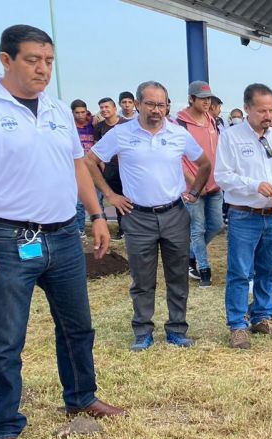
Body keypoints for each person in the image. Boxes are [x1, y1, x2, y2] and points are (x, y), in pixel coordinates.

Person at [0, 25, 126, 439]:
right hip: (6, 237)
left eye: (49, 61)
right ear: (7, 59)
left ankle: (81, 397)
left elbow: (76, 166)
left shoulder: (55, 109)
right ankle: (3, 428)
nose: (42, 69)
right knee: (7, 339)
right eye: (33, 59)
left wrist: (95, 216)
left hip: (62, 236)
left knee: (77, 327)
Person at [88, 81, 212, 350]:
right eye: (151, 104)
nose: (157, 110)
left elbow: (204, 164)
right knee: (142, 279)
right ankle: (143, 331)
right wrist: (111, 195)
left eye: (162, 104)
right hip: (137, 216)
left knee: (177, 275)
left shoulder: (178, 133)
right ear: (138, 103)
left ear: (168, 106)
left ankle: (177, 329)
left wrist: (195, 191)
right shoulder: (121, 133)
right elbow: (89, 161)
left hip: (175, 214)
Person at [215, 83, 272, 349]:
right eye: (262, 110)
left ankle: (262, 316)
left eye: (271, 110)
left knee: (268, 269)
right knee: (239, 271)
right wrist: (253, 185)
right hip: (244, 215)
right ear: (247, 108)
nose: (268, 116)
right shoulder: (231, 137)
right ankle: (237, 325)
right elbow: (222, 176)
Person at [176, 80, 224, 288]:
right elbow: (176, 159)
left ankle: (188, 255)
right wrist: (194, 184)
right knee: (198, 229)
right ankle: (203, 270)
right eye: (202, 98)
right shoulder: (179, 124)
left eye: (209, 98)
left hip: (214, 185)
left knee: (217, 225)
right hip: (193, 188)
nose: (207, 102)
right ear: (191, 98)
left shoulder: (211, 120)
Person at [94, 97, 128, 240]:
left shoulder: (126, 124)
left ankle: (131, 228)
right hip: (110, 169)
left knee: (130, 198)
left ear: (115, 109)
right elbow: (96, 149)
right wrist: (103, 167)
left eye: (107, 107)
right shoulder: (99, 127)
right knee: (117, 199)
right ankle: (122, 230)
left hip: (126, 168)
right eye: (102, 107)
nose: (104, 110)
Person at [71, 99, 98, 237]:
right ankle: (80, 230)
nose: (80, 115)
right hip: (77, 169)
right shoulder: (70, 127)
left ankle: (98, 227)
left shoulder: (94, 125)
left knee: (97, 202)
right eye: (77, 113)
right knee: (79, 203)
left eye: (83, 112)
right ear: (73, 113)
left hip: (94, 169)